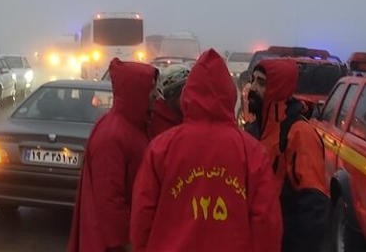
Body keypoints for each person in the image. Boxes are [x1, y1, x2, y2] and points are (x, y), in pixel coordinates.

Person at [131, 49, 282, 252]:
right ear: (229, 94)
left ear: (188, 93)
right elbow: (266, 223)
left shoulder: (161, 148)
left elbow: (142, 215)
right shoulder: (252, 152)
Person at [67, 58, 158, 252]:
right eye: (151, 88)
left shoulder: (134, 125)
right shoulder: (112, 135)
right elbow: (109, 199)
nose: (156, 95)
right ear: (135, 91)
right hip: (110, 244)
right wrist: (126, 242)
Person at [248, 59, 330, 252]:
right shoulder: (254, 130)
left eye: (261, 83)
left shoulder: (300, 134)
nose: (253, 88)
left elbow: (314, 204)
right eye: (253, 80)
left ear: (277, 88)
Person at [147, 64, 190, 139]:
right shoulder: (158, 123)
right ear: (171, 95)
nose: (190, 97)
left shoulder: (187, 115)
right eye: (184, 92)